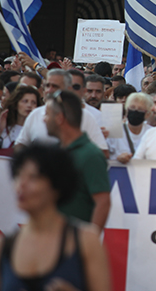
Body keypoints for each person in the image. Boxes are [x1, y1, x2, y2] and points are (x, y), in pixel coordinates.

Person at [0, 146, 110, 291]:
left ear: (56, 185)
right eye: (18, 175)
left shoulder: (87, 242)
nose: (21, 185)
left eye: (33, 177)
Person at [44, 91, 111, 229]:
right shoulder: (55, 152)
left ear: (59, 118)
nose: (43, 119)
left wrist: (87, 242)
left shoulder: (91, 155)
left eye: (47, 114)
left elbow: (103, 202)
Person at [14, 69, 109, 156]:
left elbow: (103, 153)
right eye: (47, 85)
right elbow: (20, 144)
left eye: (55, 86)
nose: (49, 90)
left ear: (68, 89)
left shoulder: (86, 117)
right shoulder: (35, 114)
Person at [0, 86, 41, 157]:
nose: (29, 105)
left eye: (33, 103)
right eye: (25, 101)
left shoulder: (39, 128)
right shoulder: (1, 124)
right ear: (16, 104)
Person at [107, 92, 153, 162]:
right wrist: (117, 159)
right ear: (127, 110)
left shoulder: (152, 133)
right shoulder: (114, 131)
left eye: (140, 109)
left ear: (147, 114)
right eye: (132, 107)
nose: (135, 111)